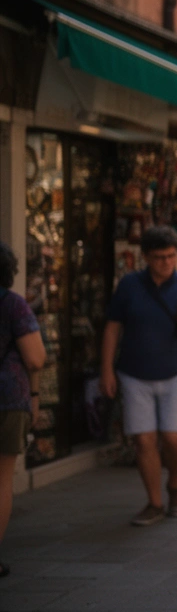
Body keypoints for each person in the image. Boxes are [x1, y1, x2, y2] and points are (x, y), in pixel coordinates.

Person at [100, 226, 177, 526]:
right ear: (145, 257)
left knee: (175, 439)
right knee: (144, 441)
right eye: (159, 257)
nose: (167, 262)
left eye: (172, 256)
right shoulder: (129, 285)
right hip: (135, 374)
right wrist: (106, 369)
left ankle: (174, 483)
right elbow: (112, 328)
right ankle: (154, 503)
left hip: (175, 373)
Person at [0, 241, 45, 578]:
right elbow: (35, 357)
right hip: (7, 398)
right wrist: (35, 395)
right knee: (2, 478)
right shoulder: (13, 304)